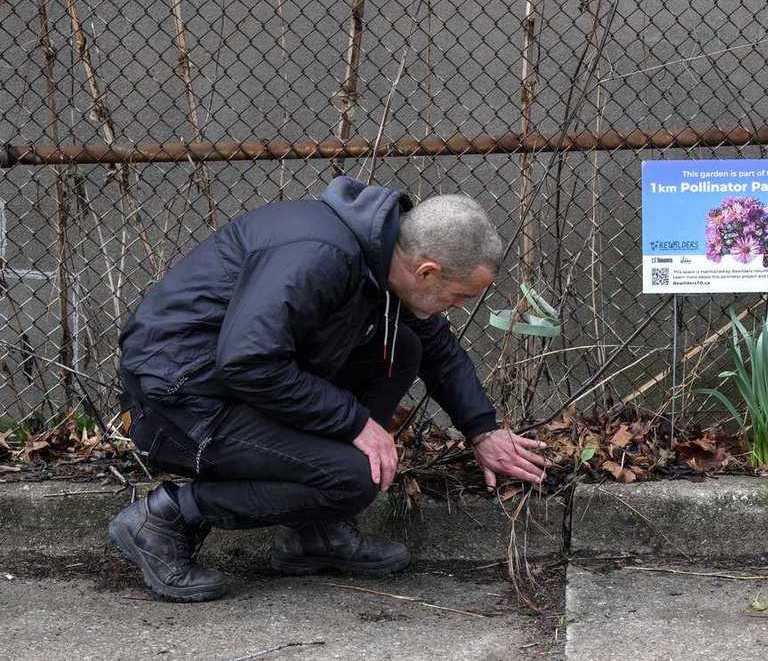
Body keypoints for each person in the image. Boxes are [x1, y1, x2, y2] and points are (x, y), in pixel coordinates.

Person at [108, 175, 547, 602]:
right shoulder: (318, 256)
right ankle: (166, 517)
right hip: (180, 401)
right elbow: (249, 359)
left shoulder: (382, 259)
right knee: (353, 475)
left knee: (401, 349)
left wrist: (483, 431)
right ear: (426, 270)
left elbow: (438, 349)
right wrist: (354, 423)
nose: (457, 307)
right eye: (459, 296)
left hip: (229, 385)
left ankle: (314, 531)